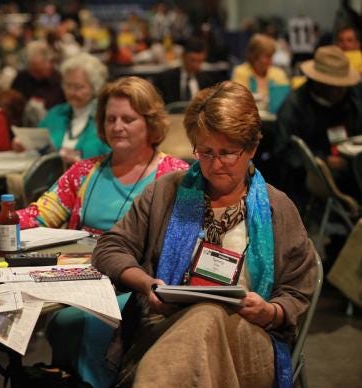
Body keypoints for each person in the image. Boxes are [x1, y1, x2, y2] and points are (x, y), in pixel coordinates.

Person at [92, 80, 317, 387]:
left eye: (227, 153)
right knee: (200, 323)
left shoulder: (278, 207)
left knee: (207, 316)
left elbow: (298, 289)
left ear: (251, 148)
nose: (214, 164)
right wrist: (148, 285)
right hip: (166, 328)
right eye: (206, 152)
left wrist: (270, 311)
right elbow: (110, 248)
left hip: (249, 340)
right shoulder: (166, 191)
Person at [0, 76, 189, 235]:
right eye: (110, 119)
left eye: (128, 119)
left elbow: (186, 238)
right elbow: (40, 214)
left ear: (151, 124)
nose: (117, 127)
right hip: (80, 272)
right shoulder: (84, 171)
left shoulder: (176, 174)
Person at [277, 45, 362, 199]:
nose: (340, 90)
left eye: (343, 85)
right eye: (335, 85)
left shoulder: (351, 98)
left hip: (353, 167)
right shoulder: (293, 107)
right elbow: (284, 152)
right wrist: (323, 160)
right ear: (318, 82)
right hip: (312, 179)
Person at [16, 52, 110, 165]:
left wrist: (79, 164)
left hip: (89, 179)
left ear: (95, 88)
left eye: (78, 87)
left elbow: (111, 160)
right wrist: (24, 144)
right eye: (68, 86)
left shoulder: (105, 117)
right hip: (52, 179)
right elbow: (37, 148)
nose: (71, 92)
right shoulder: (55, 113)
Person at [11, 40, 66, 125]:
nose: (34, 74)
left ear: (50, 62)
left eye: (38, 71)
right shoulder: (22, 77)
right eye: (32, 70)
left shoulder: (60, 81)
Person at [232, 33, 289, 113]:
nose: (271, 61)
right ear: (254, 56)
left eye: (271, 56)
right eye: (267, 56)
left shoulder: (279, 74)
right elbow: (239, 101)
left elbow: (284, 100)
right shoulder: (240, 72)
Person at [154, 38, 215, 104]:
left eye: (200, 61)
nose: (196, 65)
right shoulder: (165, 79)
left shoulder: (208, 81)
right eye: (192, 60)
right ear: (183, 56)